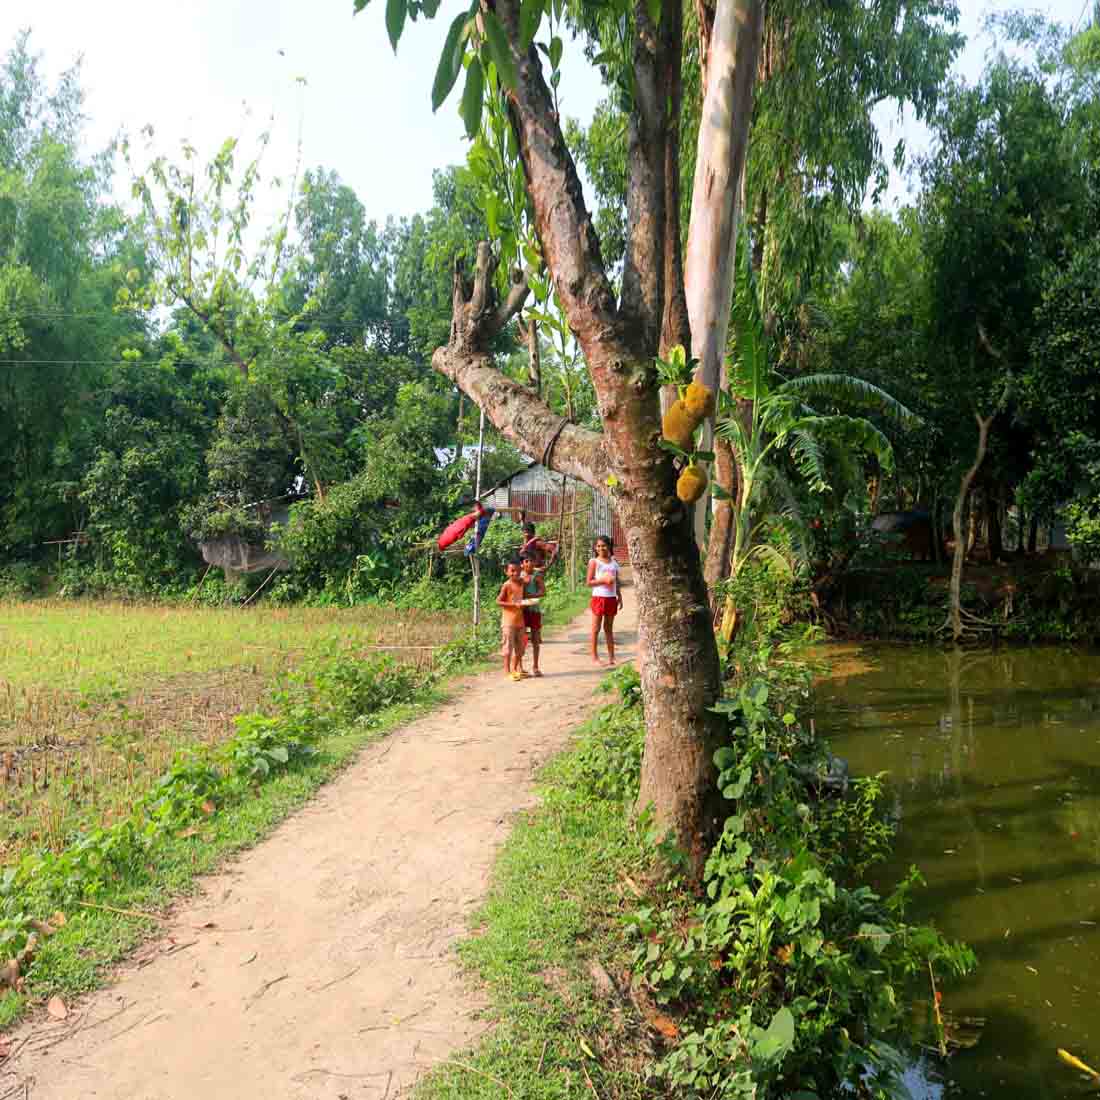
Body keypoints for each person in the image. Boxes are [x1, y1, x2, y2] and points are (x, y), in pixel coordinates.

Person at [586, 535, 623, 665]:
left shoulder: (614, 562)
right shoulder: (594, 562)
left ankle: (612, 656)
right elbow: (589, 582)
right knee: (596, 629)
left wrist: (619, 596)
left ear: (609, 546)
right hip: (599, 598)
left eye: (603, 545)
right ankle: (594, 657)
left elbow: (616, 581)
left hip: (611, 598)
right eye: (598, 546)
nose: (601, 548)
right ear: (595, 548)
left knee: (608, 628)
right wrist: (603, 580)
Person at [496, 558, 527, 682]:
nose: (515, 573)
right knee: (508, 648)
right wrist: (513, 605)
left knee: (521, 649)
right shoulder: (507, 585)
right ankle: (507, 671)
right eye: (512, 571)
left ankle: (515, 669)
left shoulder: (522, 583)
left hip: (520, 621)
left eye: (518, 571)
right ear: (507, 572)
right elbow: (498, 601)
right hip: (508, 622)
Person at [518, 553, 546, 677]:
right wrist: (523, 583)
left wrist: (532, 596)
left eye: (531, 561)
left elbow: (542, 591)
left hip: (534, 609)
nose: (528, 563)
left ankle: (535, 666)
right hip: (521, 611)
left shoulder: (537, 575)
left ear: (534, 563)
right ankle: (520, 666)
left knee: (535, 639)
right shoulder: (518, 576)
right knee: (521, 639)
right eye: (526, 561)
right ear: (522, 564)